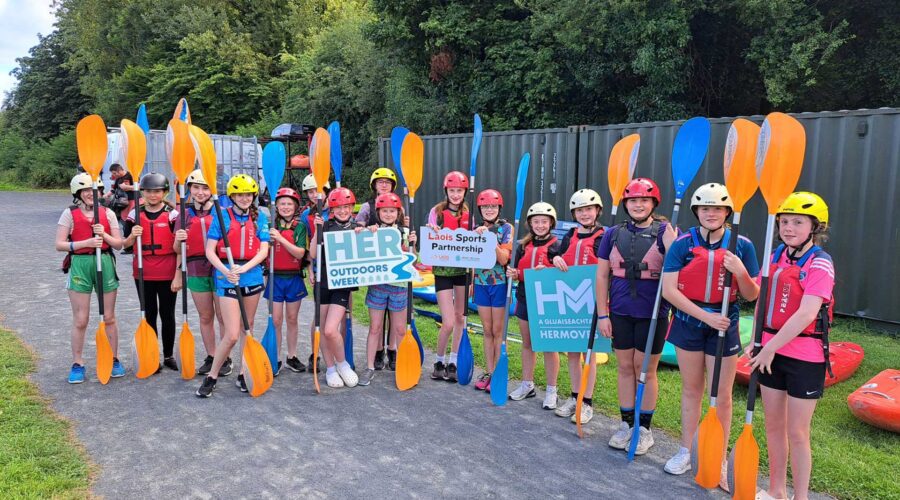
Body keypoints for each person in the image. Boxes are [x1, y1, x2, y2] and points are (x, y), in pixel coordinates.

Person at [661, 183, 760, 482]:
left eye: (717, 208)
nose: (711, 213)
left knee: (723, 395)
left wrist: (740, 270)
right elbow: (668, 290)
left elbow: (752, 295)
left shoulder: (742, 245)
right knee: (692, 390)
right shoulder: (682, 244)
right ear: (697, 211)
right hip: (689, 324)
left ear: (727, 211)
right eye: (705, 208)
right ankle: (686, 451)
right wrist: (705, 316)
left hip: (725, 325)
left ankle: (716, 457)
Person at [749, 192, 834, 500]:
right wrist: (756, 341)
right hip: (771, 350)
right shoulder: (774, 257)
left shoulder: (820, 263)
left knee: (797, 432)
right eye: (784, 221)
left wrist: (770, 348)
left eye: (798, 222)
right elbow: (763, 298)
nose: (788, 227)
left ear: (815, 227)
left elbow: (808, 312)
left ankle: (801, 497)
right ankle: (776, 491)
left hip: (804, 357)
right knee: (773, 426)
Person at [595, 177, 676, 455]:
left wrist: (672, 244)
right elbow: (602, 274)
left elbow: (677, 270)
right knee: (625, 367)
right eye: (633, 200)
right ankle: (627, 424)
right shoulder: (612, 234)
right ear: (626, 203)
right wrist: (602, 315)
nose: (638, 204)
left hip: (652, 313)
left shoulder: (665, 231)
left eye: (644, 200)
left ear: (653, 203)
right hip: (619, 311)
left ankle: (644, 429)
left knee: (646, 369)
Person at [195, 174, 270, 397]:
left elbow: (264, 250)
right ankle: (212, 376)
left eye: (248, 194)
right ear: (233, 196)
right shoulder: (222, 216)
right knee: (232, 333)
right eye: (240, 194)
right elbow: (209, 251)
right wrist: (227, 271)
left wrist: (244, 269)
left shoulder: (260, 218)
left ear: (253, 195)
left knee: (249, 328)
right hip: (227, 276)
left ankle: (243, 373)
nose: (244, 198)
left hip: (251, 275)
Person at [56, 173, 125, 383]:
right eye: (85, 191)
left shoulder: (108, 213)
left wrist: (103, 235)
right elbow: (59, 244)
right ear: (78, 193)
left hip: (104, 261)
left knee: (109, 317)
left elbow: (119, 244)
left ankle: (113, 359)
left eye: (94, 191)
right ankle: (77, 363)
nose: (90, 195)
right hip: (80, 265)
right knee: (81, 319)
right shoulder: (69, 214)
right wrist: (85, 243)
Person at [550, 189, 606, 423]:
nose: (584, 214)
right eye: (580, 210)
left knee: (588, 353)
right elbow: (556, 253)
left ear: (597, 211)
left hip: (592, 300)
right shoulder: (569, 235)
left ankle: (587, 402)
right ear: (574, 213)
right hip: (571, 300)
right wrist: (555, 258)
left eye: (588, 209)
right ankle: (575, 396)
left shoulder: (604, 236)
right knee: (572, 353)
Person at [357, 192, 417, 386]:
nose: (389, 214)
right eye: (385, 211)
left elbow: (413, 259)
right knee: (375, 328)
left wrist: (412, 244)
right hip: (378, 286)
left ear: (398, 213)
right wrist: (363, 232)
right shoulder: (373, 230)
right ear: (378, 212)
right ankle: (370, 367)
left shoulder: (406, 232)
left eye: (392, 211)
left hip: (399, 287)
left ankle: (402, 365)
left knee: (400, 329)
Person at [506, 202, 561, 409]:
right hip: (525, 297)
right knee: (527, 343)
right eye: (536, 221)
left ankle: (552, 390)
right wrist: (514, 274)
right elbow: (520, 273)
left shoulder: (558, 245)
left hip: (547, 301)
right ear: (530, 223)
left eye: (544, 221)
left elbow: (563, 273)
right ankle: (527, 384)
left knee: (548, 346)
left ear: (551, 223)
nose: (540, 225)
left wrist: (547, 269)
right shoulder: (523, 246)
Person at [172, 170, 227, 376]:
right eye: (196, 187)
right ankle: (212, 355)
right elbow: (176, 249)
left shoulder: (221, 212)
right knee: (205, 316)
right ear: (190, 190)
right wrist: (179, 238)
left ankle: (225, 357)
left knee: (223, 316)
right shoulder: (183, 214)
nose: (201, 192)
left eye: (205, 188)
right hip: (196, 269)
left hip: (219, 268)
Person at [123, 172, 179, 372]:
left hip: (167, 272)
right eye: (149, 191)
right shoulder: (134, 215)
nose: (153, 195)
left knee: (167, 314)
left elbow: (179, 247)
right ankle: (152, 355)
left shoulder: (173, 215)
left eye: (157, 191)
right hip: (143, 272)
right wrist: (132, 236)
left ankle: (169, 355)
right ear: (143, 192)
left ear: (164, 192)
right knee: (149, 315)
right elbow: (125, 243)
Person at [309, 187, 360, 388]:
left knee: (331, 330)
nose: (342, 211)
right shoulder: (326, 226)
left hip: (342, 283)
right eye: (338, 207)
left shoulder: (357, 227)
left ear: (351, 208)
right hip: (323, 282)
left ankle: (343, 364)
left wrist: (365, 232)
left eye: (346, 207)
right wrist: (316, 231)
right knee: (321, 328)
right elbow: (313, 254)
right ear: (332, 208)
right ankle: (330, 369)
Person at [426, 171, 471, 382]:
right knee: (449, 322)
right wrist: (432, 230)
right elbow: (430, 236)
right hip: (443, 272)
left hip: (462, 273)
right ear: (446, 191)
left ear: (464, 192)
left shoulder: (468, 214)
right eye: (452, 190)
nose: (455, 194)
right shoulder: (437, 212)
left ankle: (453, 362)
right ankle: (439, 361)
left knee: (461, 318)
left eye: (459, 191)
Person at [356, 167, 403, 369]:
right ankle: (375, 354)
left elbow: (410, 252)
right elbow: (356, 231)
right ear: (374, 185)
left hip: (397, 282)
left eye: (387, 182)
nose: (383, 184)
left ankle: (392, 351)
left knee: (396, 323)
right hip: (376, 277)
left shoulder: (399, 212)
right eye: (380, 181)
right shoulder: (367, 207)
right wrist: (367, 229)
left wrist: (411, 240)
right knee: (376, 324)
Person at [471, 189, 513, 392]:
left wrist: (490, 238)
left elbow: (504, 259)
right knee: (487, 331)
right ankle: (489, 371)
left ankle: (498, 373)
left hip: (499, 284)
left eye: (493, 206)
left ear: (499, 208)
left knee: (498, 331)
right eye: (486, 206)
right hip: (480, 284)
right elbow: (468, 256)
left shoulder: (506, 228)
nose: (489, 210)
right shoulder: (474, 228)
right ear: (480, 208)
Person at [266, 187, 309, 374]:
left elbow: (300, 253)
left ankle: (291, 356)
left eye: (289, 204)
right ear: (276, 206)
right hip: (275, 278)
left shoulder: (300, 227)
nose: (285, 207)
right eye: (282, 203)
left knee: (292, 319)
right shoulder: (269, 225)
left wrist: (280, 239)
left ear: (295, 206)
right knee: (276, 320)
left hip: (293, 278)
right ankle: (275, 358)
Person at [299, 173, 330, 372]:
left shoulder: (337, 210)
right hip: (319, 268)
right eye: (310, 191)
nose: (313, 195)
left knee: (344, 315)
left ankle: (338, 353)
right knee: (319, 316)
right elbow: (307, 244)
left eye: (317, 191)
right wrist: (310, 269)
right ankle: (315, 354)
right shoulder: (306, 215)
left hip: (338, 270)